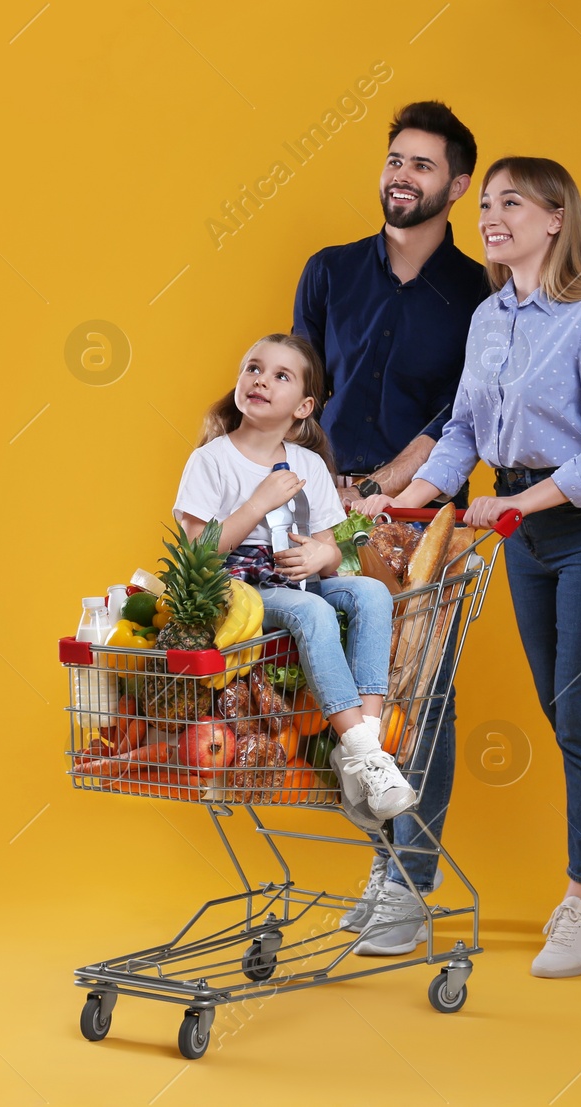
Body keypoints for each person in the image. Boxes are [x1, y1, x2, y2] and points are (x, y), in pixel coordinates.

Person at [359, 157, 581, 978]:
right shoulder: (488, 320)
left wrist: (524, 503)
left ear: (556, 220)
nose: (490, 215)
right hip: (527, 539)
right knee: (569, 710)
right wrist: (409, 498)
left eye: (512, 202)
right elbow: (467, 432)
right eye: (488, 205)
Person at [293, 101, 490, 956]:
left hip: (422, 523)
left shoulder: (480, 291)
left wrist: (383, 483)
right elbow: (307, 387)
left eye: (422, 165)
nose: (401, 177)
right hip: (330, 520)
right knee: (352, 699)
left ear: (457, 184)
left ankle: (413, 882)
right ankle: (383, 864)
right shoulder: (330, 271)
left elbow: (463, 412)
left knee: (423, 699)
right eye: (394, 161)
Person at [173, 333, 411, 826]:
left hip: (295, 578)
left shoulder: (308, 465)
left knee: (367, 590)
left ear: (303, 406)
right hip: (242, 589)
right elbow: (199, 549)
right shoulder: (211, 460)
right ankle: (368, 752)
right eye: (253, 368)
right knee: (313, 610)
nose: (261, 379)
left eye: (280, 376)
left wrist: (321, 552)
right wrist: (258, 502)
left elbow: (330, 557)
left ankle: (359, 749)